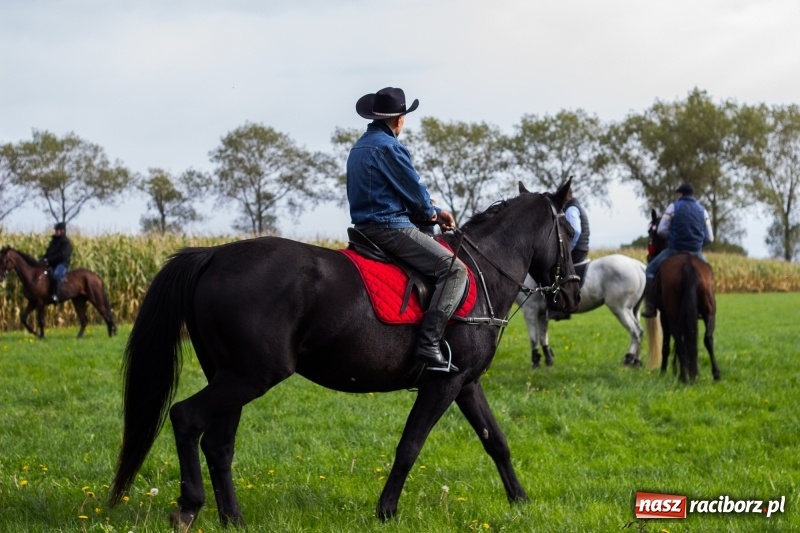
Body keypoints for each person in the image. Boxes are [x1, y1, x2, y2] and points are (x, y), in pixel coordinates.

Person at [347, 86, 467, 372]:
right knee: (455, 270)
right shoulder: (391, 148)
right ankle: (429, 344)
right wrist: (437, 214)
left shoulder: (359, 146)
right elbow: (419, 203)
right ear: (399, 119)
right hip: (389, 228)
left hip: (363, 228)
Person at [642, 183, 714, 318]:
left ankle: (651, 307)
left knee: (650, 271)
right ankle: (706, 306)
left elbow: (661, 230)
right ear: (693, 195)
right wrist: (698, 244)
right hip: (696, 251)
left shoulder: (673, 207)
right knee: (708, 273)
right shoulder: (702, 210)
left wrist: (674, 237)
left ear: (680, 194)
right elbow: (710, 237)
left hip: (675, 250)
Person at [548, 188, 590, 320]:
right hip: (582, 247)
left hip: (576, 248)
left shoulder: (571, 210)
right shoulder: (576, 207)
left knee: (554, 268)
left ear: (566, 196)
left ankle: (559, 308)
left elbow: (575, 231)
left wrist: (567, 248)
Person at [40, 221, 73, 302]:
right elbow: (49, 252)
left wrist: (48, 259)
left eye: (57, 230)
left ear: (62, 231)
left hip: (62, 264)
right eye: (55, 230)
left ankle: (56, 295)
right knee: (42, 273)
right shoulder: (53, 241)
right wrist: (43, 258)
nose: (55, 231)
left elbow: (62, 255)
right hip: (51, 263)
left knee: (56, 274)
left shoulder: (66, 243)